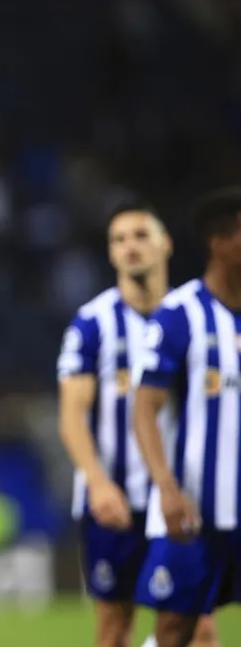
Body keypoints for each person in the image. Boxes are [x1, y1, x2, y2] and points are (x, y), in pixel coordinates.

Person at [57, 201, 217, 647]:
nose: (130, 247)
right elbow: (72, 415)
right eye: (119, 239)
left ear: (165, 244)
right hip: (115, 500)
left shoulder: (195, 317)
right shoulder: (92, 324)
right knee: (114, 626)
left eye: (141, 236)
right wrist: (97, 483)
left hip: (181, 499)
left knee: (200, 627)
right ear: (110, 254)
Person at [134, 188, 241, 647]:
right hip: (198, 510)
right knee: (177, 628)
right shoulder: (182, 314)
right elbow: (145, 406)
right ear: (220, 242)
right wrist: (167, 488)